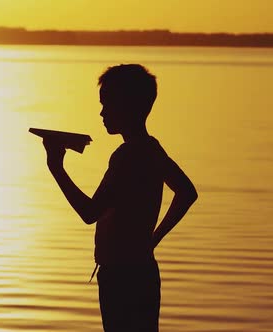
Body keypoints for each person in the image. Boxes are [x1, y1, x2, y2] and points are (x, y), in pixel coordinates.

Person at [42, 64, 198, 332]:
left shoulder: (127, 156)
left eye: (108, 104)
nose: (102, 113)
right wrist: (153, 239)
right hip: (143, 270)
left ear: (128, 106)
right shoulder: (151, 148)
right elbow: (186, 193)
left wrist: (56, 168)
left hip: (121, 276)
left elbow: (89, 213)